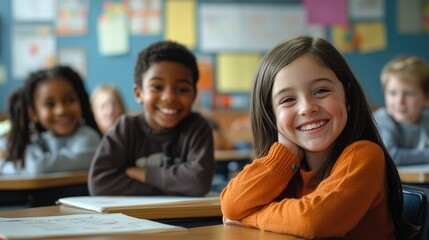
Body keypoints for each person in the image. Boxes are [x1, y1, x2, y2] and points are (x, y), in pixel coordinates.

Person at [220, 36, 419, 239]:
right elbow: (231, 206)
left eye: (321, 91)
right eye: (288, 99)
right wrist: (283, 157)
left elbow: (313, 222)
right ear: (271, 114)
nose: (307, 107)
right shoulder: (286, 169)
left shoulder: (364, 155)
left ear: (347, 95)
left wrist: (251, 218)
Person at [88, 40, 216, 197]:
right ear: (138, 93)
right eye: (157, 87)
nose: (169, 97)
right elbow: (99, 183)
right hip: (130, 219)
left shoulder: (197, 128)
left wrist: (142, 174)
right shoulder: (125, 129)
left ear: (194, 95)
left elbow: (198, 181)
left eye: (182, 89)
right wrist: (168, 189)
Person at [0, 66, 101, 174]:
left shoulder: (88, 137)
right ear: (33, 113)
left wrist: (13, 161)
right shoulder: (40, 140)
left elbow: (38, 167)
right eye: (50, 104)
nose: (61, 111)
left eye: (70, 100)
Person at [373, 55, 429, 166]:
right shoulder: (381, 119)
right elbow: (391, 155)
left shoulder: (426, 118)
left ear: (426, 98)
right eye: (393, 93)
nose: (400, 101)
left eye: (409, 94)